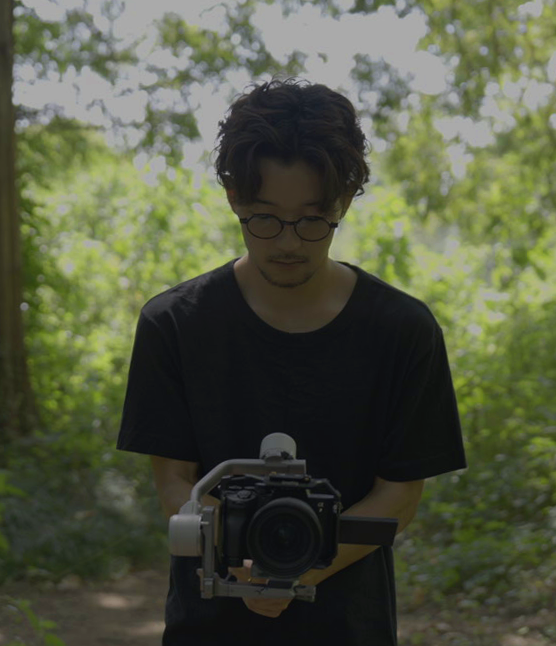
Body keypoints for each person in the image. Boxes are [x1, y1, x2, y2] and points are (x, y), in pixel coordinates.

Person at [116, 77, 465, 646]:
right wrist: (242, 566)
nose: (288, 243)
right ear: (234, 197)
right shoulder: (175, 324)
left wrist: (299, 571)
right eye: (265, 217)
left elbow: (400, 495)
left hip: (349, 627)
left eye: (311, 219)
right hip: (209, 628)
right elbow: (175, 483)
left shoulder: (402, 331)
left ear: (344, 201)